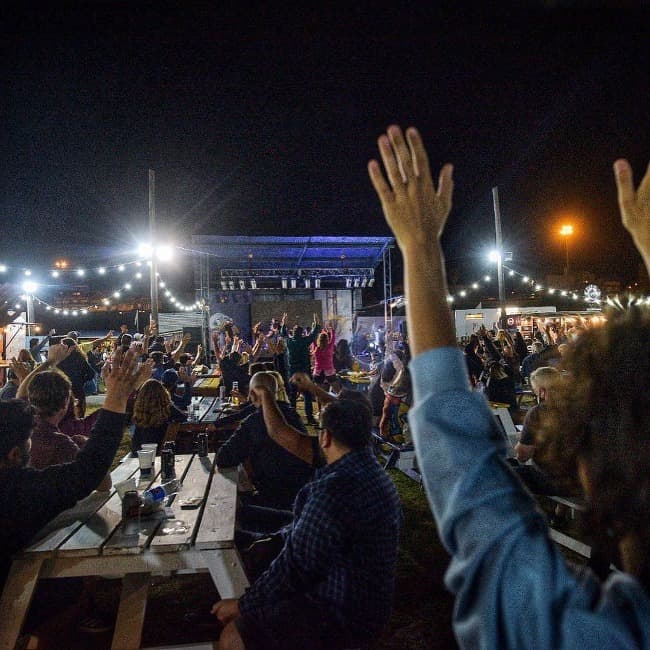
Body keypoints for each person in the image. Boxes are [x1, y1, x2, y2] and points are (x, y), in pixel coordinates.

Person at [368, 124, 650, 647]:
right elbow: (457, 442)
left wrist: (420, 245)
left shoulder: (566, 631)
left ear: (584, 463)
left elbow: (459, 460)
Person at [212, 395, 401, 650]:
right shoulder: (375, 474)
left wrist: (242, 605)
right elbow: (319, 535)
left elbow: (295, 568)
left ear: (326, 437)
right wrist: (276, 539)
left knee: (234, 637)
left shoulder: (334, 488)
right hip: (370, 604)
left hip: (340, 612)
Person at [0, 349, 152, 590]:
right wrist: (117, 396)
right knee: (92, 505)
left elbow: (20, 402)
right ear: (14, 454)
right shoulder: (20, 490)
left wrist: (45, 366)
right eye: (28, 438)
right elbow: (89, 471)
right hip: (18, 588)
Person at [216, 372, 317, 512]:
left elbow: (223, 458)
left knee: (228, 509)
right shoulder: (293, 415)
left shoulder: (254, 421)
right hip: (304, 497)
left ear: (252, 394)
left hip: (273, 500)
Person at [280, 312, 319, 426]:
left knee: (292, 395)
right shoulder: (305, 341)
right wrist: (316, 321)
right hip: (304, 372)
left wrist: (284, 322)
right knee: (307, 395)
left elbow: (283, 333)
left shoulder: (289, 342)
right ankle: (310, 418)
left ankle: (292, 418)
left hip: (292, 372)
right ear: (302, 333)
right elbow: (314, 334)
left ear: (293, 333)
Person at [131, 378, 187, 453]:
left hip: (139, 449)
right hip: (159, 448)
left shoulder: (140, 410)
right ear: (163, 392)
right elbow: (183, 417)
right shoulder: (167, 409)